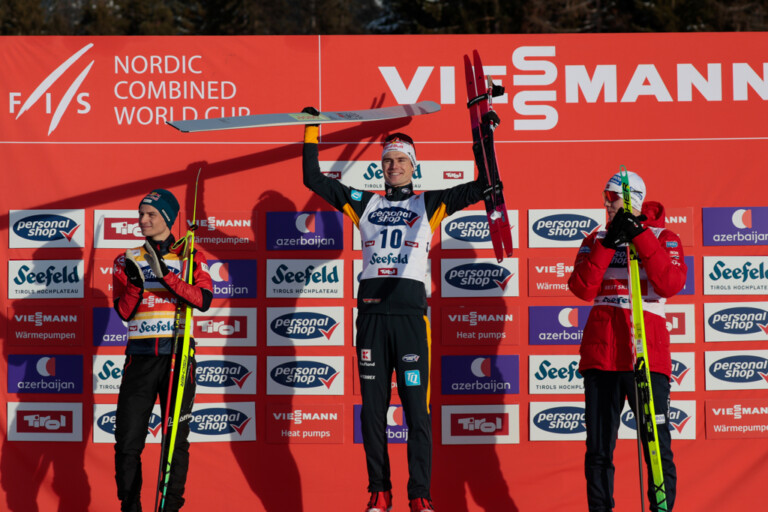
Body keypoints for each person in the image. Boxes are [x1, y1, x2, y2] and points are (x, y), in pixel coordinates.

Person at [301, 107, 494, 512]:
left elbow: (484, 186)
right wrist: (312, 131)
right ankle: (379, 490)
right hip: (371, 318)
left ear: (413, 167)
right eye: (387, 160)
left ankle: (420, 494)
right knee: (372, 412)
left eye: (401, 160)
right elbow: (313, 179)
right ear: (381, 167)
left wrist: (483, 138)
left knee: (415, 413)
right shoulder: (363, 203)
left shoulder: (431, 202)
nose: (393, 166)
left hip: (409, 319)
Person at [568, 170, 686, 511]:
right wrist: (607, 246)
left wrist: (640, 236)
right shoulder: (596, 237)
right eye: (604, 197)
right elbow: (581, 288)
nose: (607, 204)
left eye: (613, 197)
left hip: (646, 354)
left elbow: (671, 284)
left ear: (632, 198)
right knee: (599, 448)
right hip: (601, 356)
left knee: (656, 446)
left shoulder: (665, 236)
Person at [112, 189, 213, 512]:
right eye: (140, 214)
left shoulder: (191, 255)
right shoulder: (127, 257)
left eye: (151, 214)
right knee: (127, 443)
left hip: (178, 356)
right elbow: (124, 313)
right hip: (139, 358)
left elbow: (204, 301)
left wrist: (165, 275)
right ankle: (130, 506)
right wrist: (135, 286)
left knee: (174, 443)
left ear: (168, 219)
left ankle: (169, 509)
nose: (143, 220)